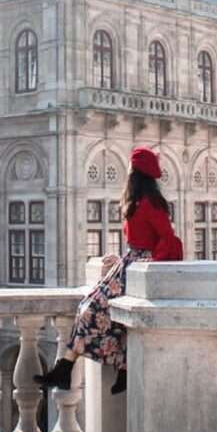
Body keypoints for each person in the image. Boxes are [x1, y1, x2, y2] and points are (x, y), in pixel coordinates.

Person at [35, 146, 182, 396]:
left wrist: (149, 262)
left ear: (136, 172)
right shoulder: (135, 201)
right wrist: (124, 256)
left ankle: (68, 369)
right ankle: (90, 369)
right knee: (89, 306)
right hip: (129, 261)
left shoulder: (151, 203)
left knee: (93, 310)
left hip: (138, 265)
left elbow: (167, 238)